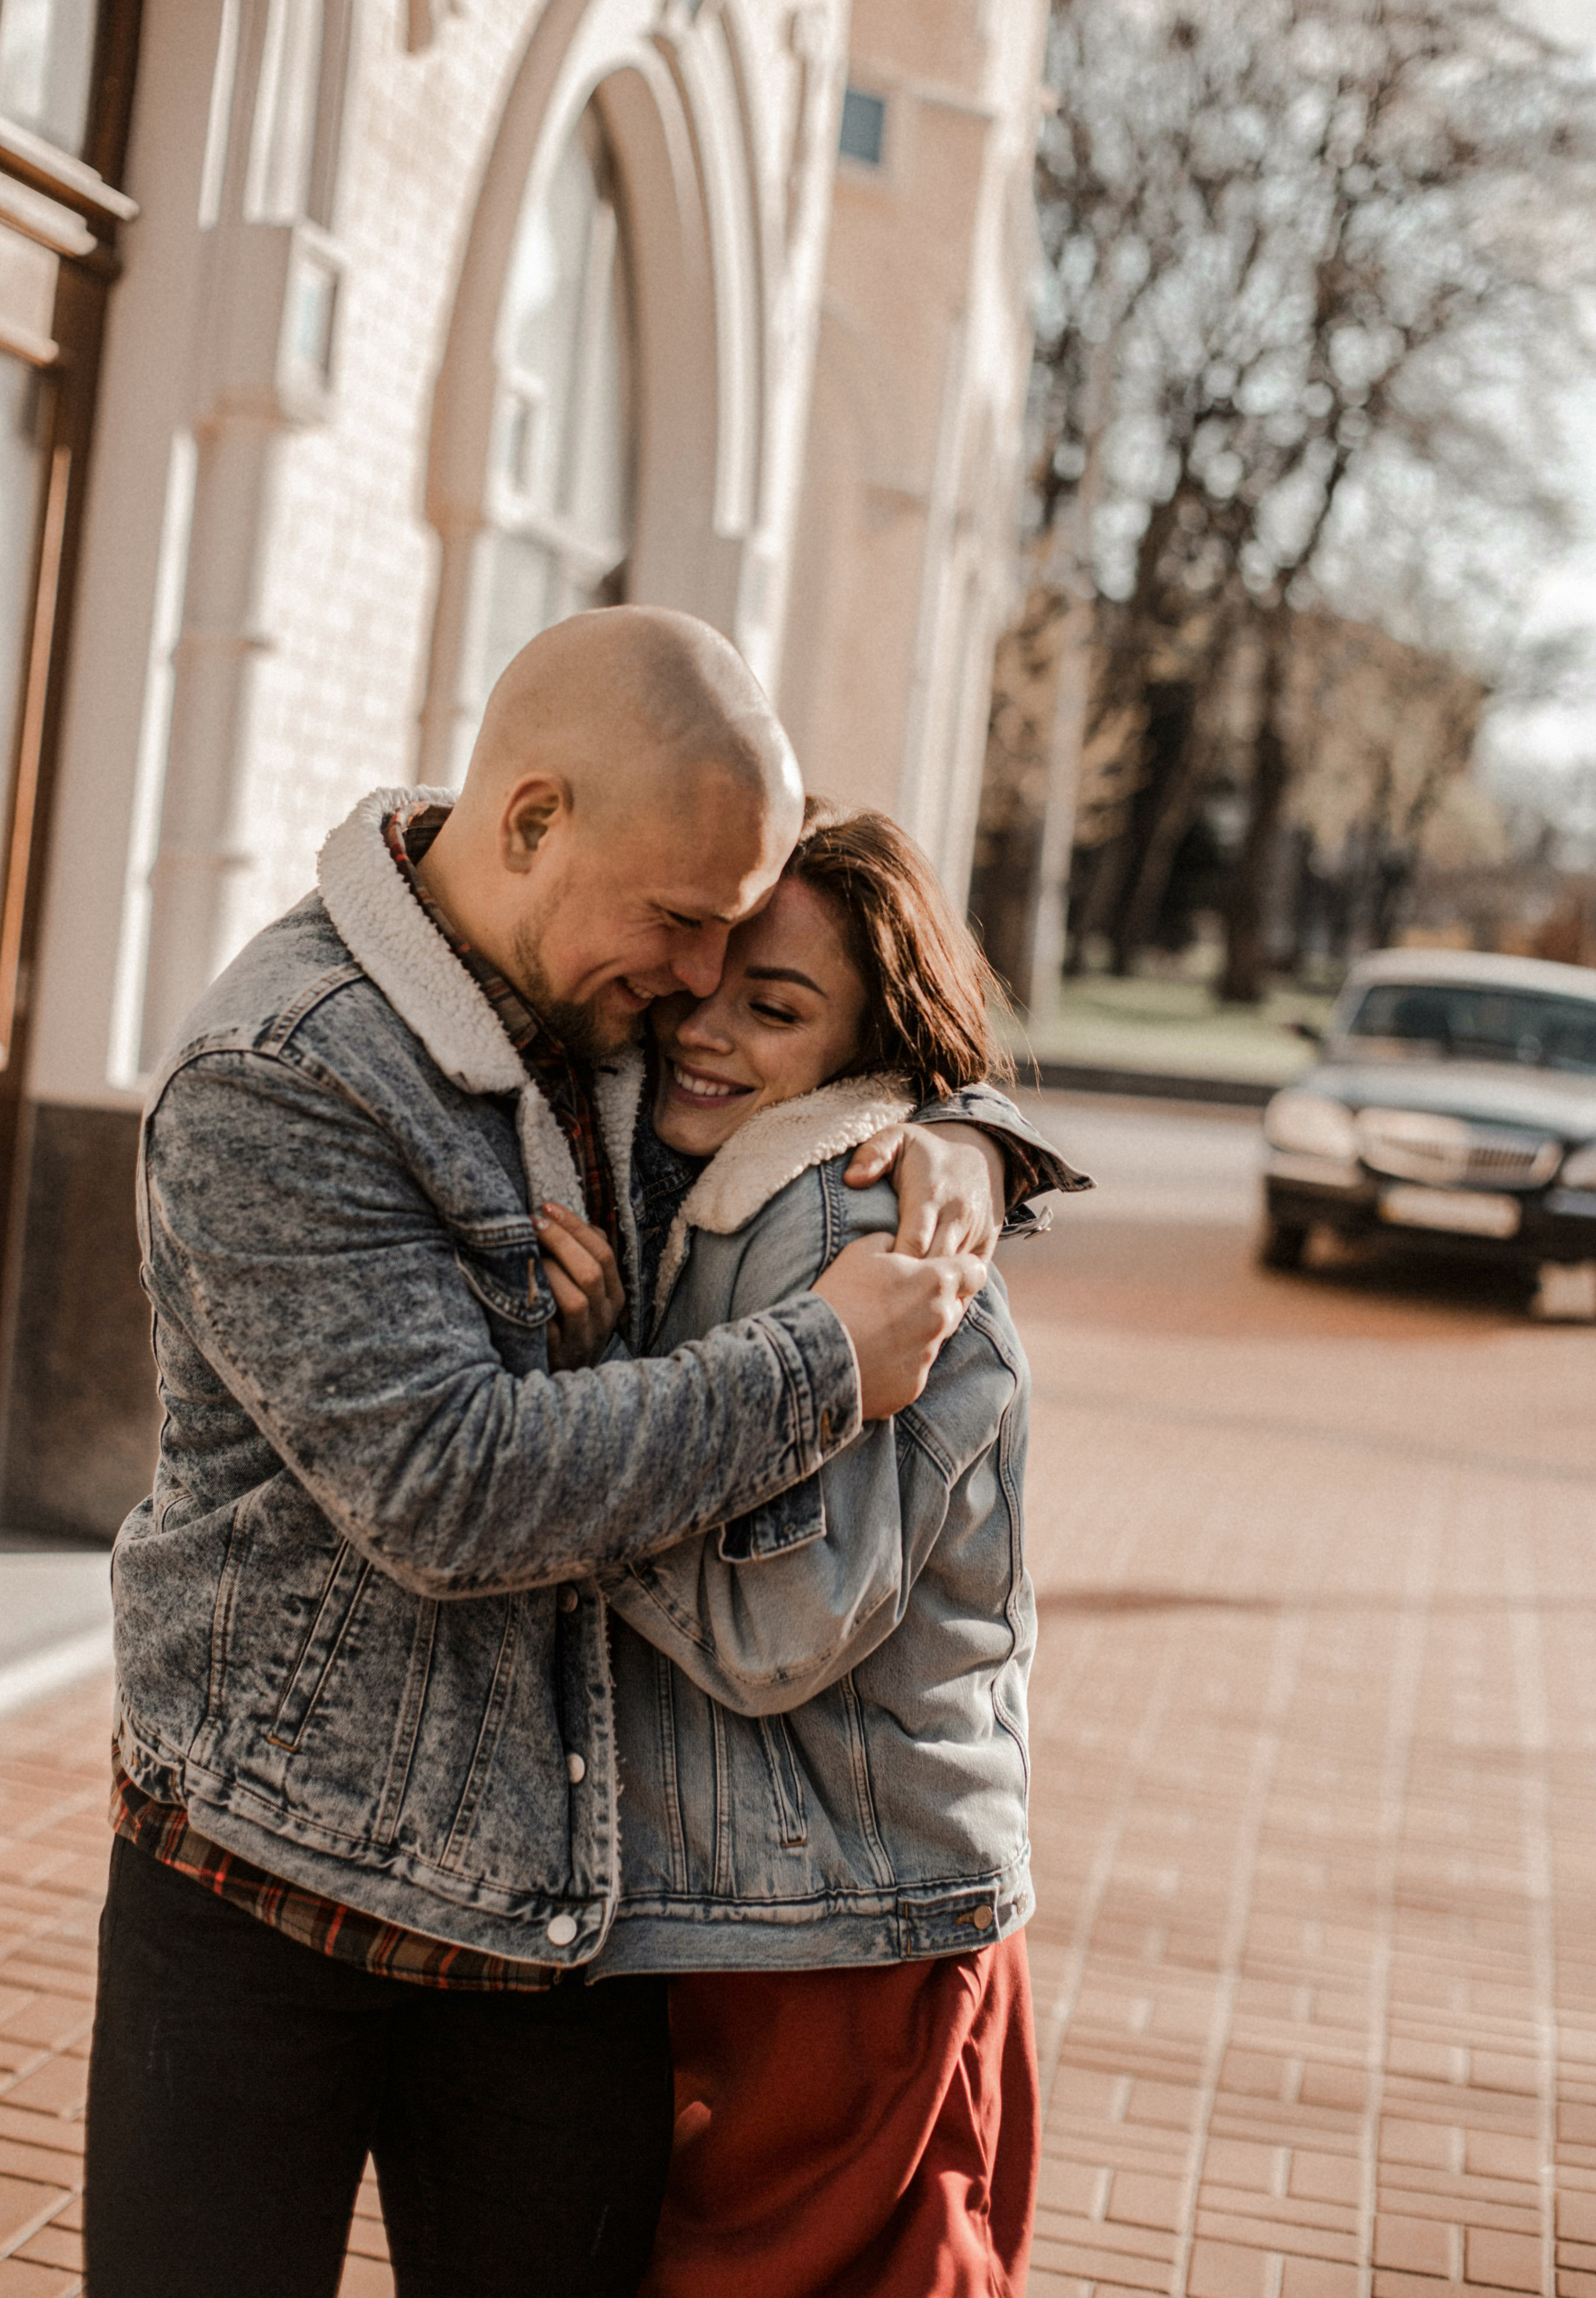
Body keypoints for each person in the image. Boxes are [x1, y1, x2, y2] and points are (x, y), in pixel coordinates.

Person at [85, 608, 1073, 2298]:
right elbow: (449, 1491)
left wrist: (939, 1129)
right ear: (534, 818)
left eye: (724, 938)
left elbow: (801, 1075)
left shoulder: (606, 998)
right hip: (268, 1898)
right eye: (685, 922)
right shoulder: (286, 1073)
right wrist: (824, 1359)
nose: (698, 981)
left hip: (566, 1936)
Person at [534, 804, 1079, 2297]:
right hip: (769, 1903)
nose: (703, 1034)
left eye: (773, 1009)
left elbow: (782, 1626)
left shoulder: (846, 1215)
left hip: (855, 1922)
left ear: (868, 1047)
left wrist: (574, 1446)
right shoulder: (714, 1179)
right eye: (695, 985)